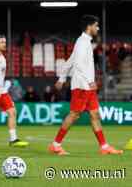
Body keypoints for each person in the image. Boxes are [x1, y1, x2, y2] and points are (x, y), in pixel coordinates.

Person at [49, 15, 123, 155]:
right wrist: (90, 80)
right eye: (96, 25)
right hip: (82, 86)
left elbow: (70, 60)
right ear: (89, 26)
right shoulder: (82, 42)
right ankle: (56, 144)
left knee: (95, 115)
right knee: (74, 115)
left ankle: (104, 146)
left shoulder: (84, 42)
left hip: (87, 87)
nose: (97, 28)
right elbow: (78, 64)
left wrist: (62, 78)